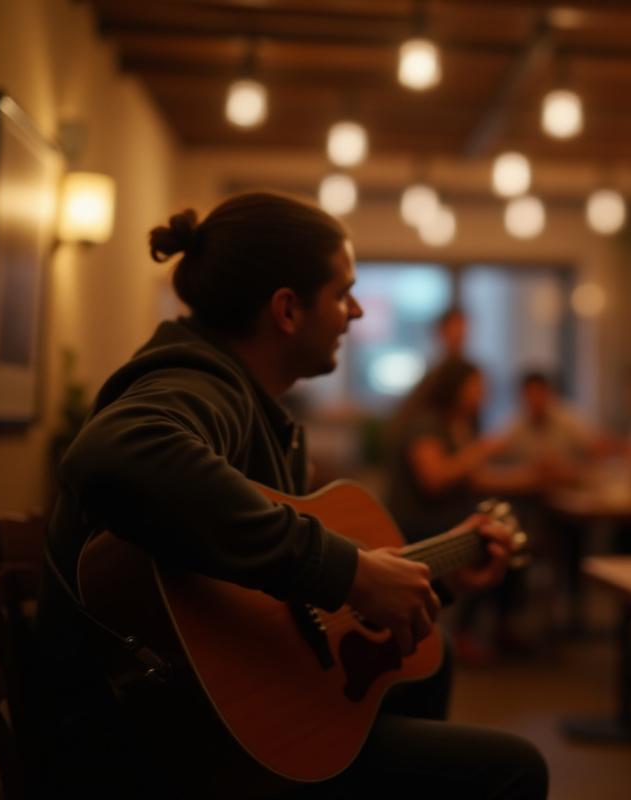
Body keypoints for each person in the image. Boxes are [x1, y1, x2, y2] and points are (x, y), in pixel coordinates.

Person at [38, 192, 548, 798]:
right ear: (286, 310)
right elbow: (114, 452)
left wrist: (431, 573)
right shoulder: (197, 383)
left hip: (193, 715)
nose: (355, 312)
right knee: (516, 768)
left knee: (425, 661)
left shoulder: (248, 403)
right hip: (146, 750)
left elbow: (281, 602)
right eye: (341, 293)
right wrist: (347, 570)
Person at [385, 359, 541, 663]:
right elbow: (435, 479)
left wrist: (532, 477)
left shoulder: (458, 424)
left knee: (509, 533)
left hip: (445, 516)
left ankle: (501, 625)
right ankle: (467, 633)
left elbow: (473, 478)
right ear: (455, 389)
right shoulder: (427, 422)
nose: (483, 394)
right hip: (418, 521)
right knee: (489, 539)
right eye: (476, 387)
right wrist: (483, 449)